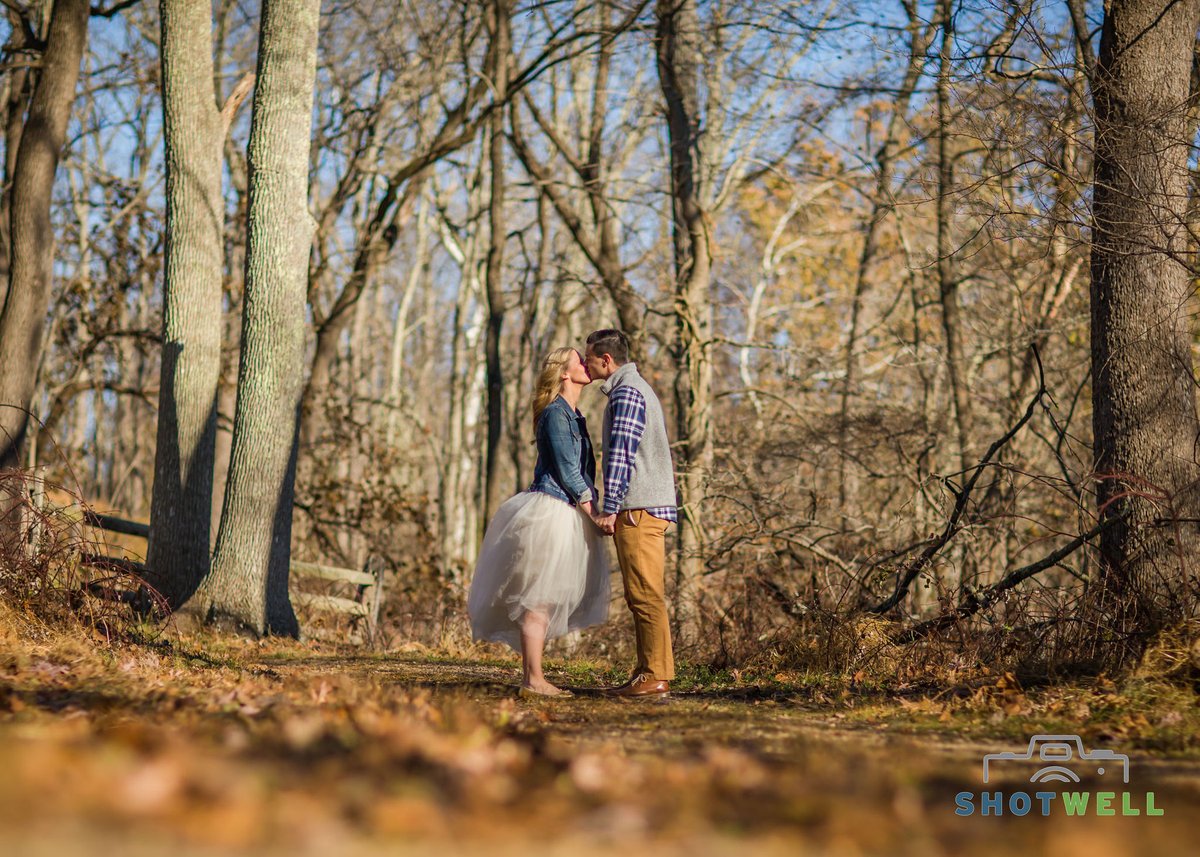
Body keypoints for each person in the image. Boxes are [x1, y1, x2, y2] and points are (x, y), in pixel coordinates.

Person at [468, 347, 610, 698]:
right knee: (538, 597)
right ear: (564, 373)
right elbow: (567, 469)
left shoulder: (575, 415)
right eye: (579, 360)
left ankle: (534, 676)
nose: (586, 364)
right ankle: (533, 679)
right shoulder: (555, 415)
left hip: (569, 510)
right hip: (552, 511)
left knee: (545, 598)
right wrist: (593, 511)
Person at [583, 329, 678, 699]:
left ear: (606, 360)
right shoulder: (634, 388)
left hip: (638, 508)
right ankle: (649, 671)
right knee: (643, 593)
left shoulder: (627, 393)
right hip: (644, 506)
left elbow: (620, 455)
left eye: (589, 356)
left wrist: (610, 507)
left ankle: (655, 675)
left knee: (644, 594)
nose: (584, 362)